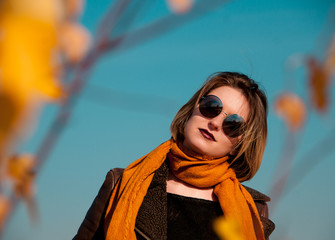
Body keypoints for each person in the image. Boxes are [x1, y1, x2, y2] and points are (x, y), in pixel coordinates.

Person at [73, 72, 275, 240]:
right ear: (192, 109)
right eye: (212, 107)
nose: (214, 123)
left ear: (240, 145)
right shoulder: (121, 183)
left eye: (233, 124)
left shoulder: (253, 210)